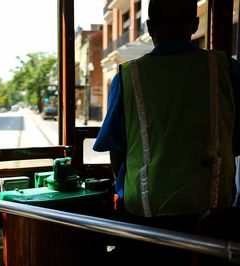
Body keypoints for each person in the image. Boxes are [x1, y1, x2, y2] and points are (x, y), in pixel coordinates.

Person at [93, 0, 240, 264]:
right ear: (194, 25)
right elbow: (236, 142)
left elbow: (116, 150)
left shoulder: (128, 77)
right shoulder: (226, 69)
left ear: (150, 27)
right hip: (212, 220)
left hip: (145, 221)